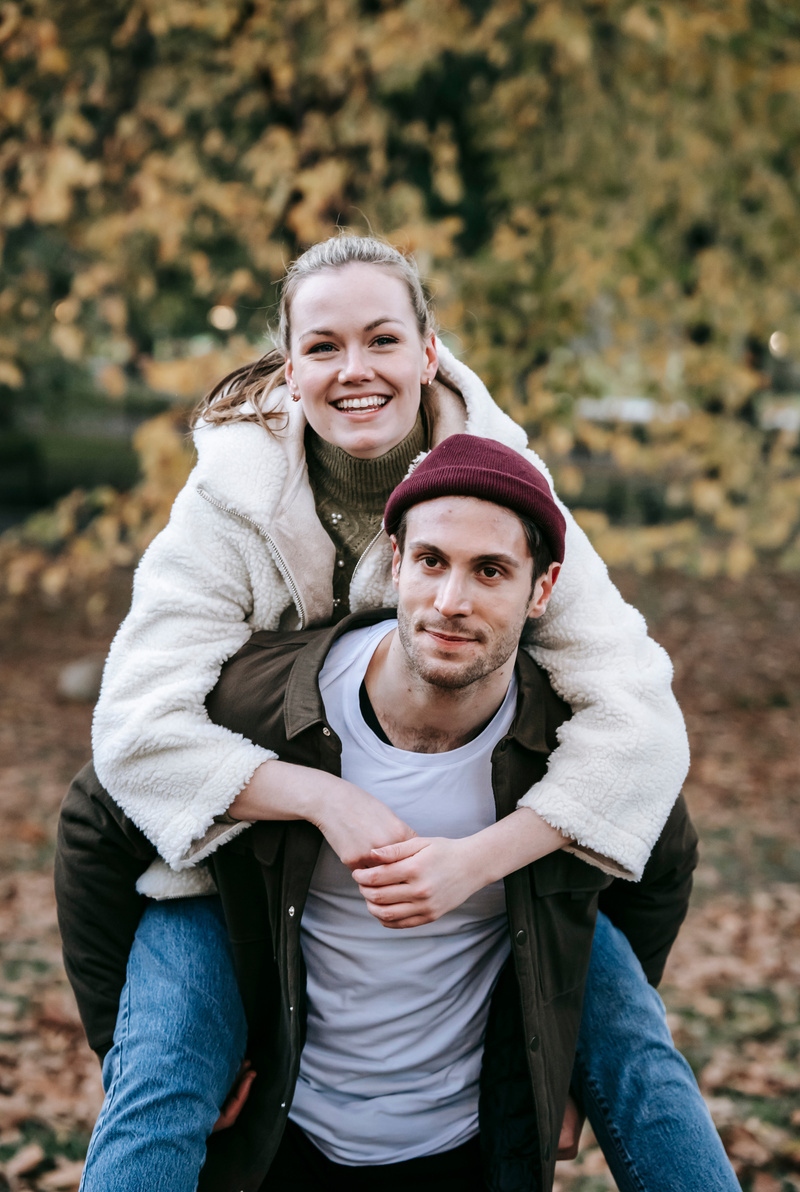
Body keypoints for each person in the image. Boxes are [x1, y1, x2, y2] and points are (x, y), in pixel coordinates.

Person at [57, 436, 739, 1192]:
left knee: (651, 1069)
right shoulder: (268, 705)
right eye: (432, 562)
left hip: (466, 1142)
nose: (451, 602)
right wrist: (116, 1046)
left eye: (490, 571)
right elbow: (97, 821)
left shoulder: (575, 751)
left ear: (542, 591)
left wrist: (566, 1036)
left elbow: (661, 860)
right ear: (395, 559)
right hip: (285, 1131)